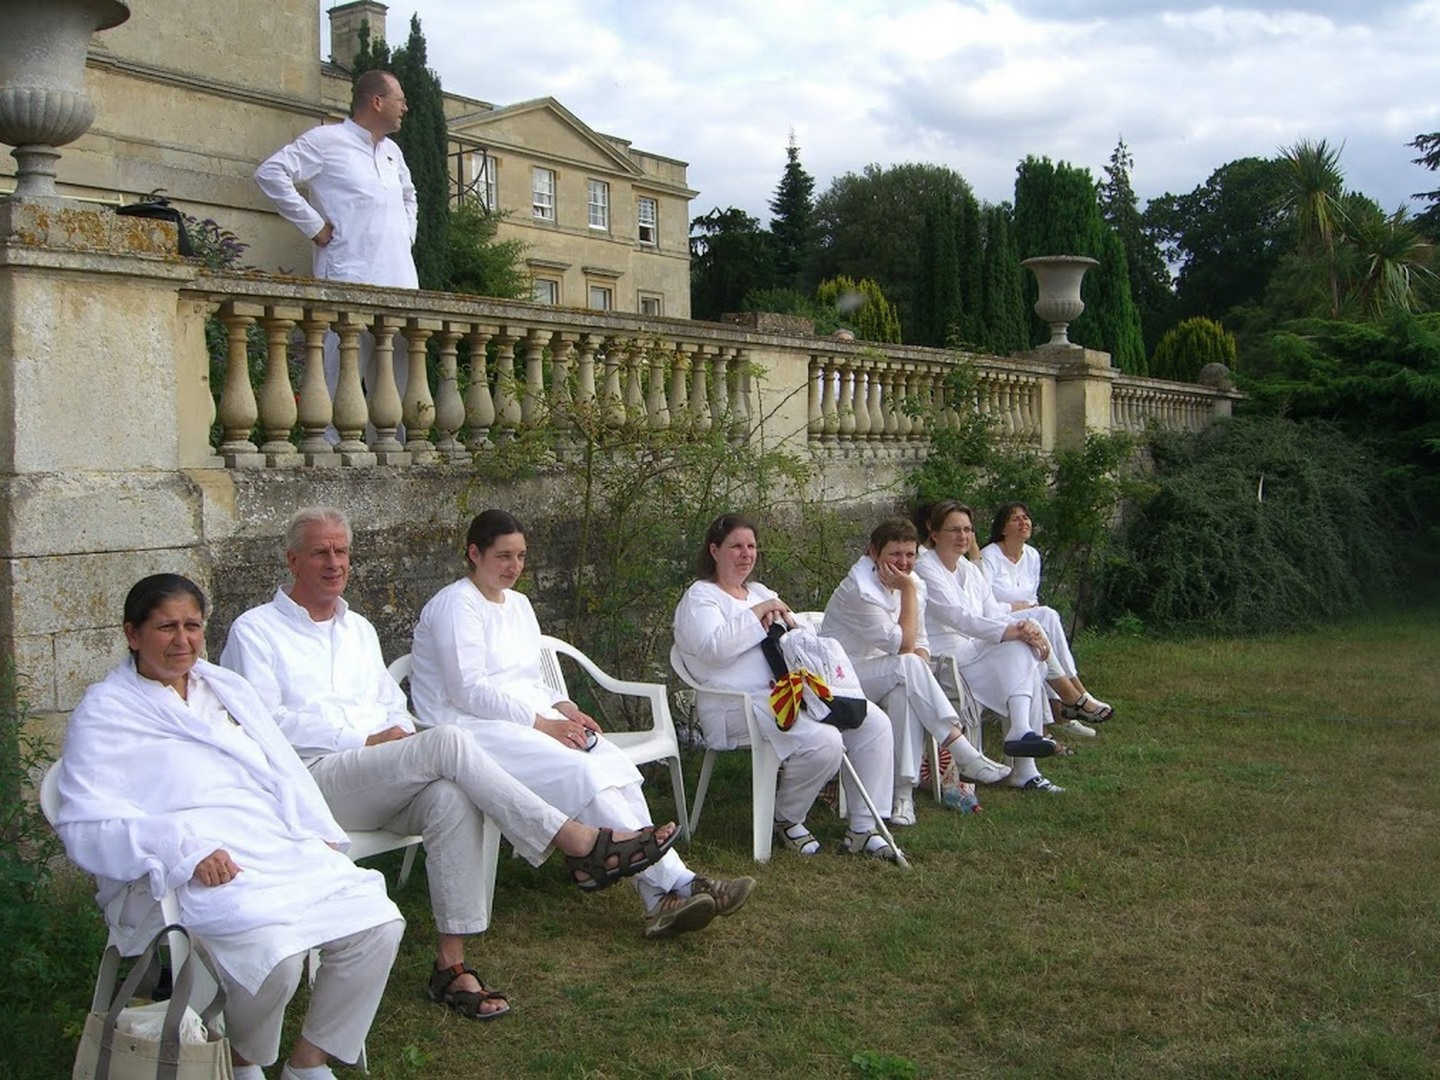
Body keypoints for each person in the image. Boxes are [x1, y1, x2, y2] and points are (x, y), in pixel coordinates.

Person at [220, 508, 679, 1019]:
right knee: (448, 742)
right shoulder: (255, 631)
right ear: (292, 560)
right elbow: (262, 724)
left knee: (452, 795)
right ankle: (575, 841)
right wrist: (366, 736)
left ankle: (450, 966)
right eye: (320, 552)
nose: (334, 563)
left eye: (342, 551)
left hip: (378, 776)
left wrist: (392, 732)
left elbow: (391, 704)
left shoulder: (358, 630)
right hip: (312, 782)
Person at [54, 574, 404, 1080]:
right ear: (133, 634)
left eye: (192, 626)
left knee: (377, 922)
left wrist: (315, 829)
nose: (182, 640)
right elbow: (86, 821)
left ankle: (309, 1061)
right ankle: (244, 1062)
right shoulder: (105, 710)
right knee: (275, 958)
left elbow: (283, 767)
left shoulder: (225, 687)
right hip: (194, 861)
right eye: (166, 627)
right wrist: (183, 849)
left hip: (268, 839)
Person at [410, 509, 756, 939]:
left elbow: (530, 677)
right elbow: (468, 690)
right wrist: (543, 723)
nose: (514, 567)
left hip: (525, 717)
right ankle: (683, 884)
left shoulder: (518, 604)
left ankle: (661, 896)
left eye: (520, 556)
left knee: (611, 764)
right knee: (580, 771)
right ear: (474, 554)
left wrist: (565, 708)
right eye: (503, 557)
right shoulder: (455, 605)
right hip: (465, 727)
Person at [673, 513, 900, 860]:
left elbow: (796, 638)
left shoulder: (761, 591)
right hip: (738, 704)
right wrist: (759, 614)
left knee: (874, 723)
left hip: (793, 693)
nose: (746, 554)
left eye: (751, 546)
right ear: (714, 550)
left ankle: (864, 828)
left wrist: (785, 622)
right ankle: (787, 819)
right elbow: (713, 650)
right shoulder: (701, 598)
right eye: (735, 546)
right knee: (824, 740)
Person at [254, 69, 417, 440]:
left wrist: (404, 236)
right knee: (337, 374)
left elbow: (410, 196)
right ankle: (327, 456)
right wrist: (314, 225)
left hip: (401, 282)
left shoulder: (393, 152)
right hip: (348, 277)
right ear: (377, 102)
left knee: (396, 381)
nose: (405, 107)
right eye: (400, 99)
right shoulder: (326, 141)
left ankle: (392, 459)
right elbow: (271, 173)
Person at [821, 518, 1012, 827]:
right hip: (841, 681)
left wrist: (916, 652)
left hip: (887, 675)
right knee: (907, 668)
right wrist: (908, 590)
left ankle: (902, 796)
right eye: (895, 554)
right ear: (873, 553)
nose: (904, 563)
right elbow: (904, 644)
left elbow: (920, 642)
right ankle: (960, 747)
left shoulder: (911, 584)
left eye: (910, 555)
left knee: (904, 689)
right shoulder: (858, 589)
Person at [913, 502, 1071, 793]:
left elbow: (992, 612)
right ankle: (1024, 750)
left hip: (974, 653)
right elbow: (959, 618)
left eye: (968, 530)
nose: (963, 536)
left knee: (1024, 651)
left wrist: (1023, 628)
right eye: (955, 530)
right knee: (1019, 647)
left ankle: (1023, 745)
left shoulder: (969, 570)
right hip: (943, 659)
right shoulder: (925, 568)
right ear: (934, 533)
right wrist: (1013, 630)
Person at [979, 502, 1114, 728]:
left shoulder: (1032, 555)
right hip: (997, 621)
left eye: (1026, 517)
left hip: (1029, 617)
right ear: (1003, 528)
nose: (1024, 523)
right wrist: (1015, 608)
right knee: (1047, 616)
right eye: (1016, 519)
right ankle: (1078, 694)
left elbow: (1032, 597)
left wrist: (1025, 607)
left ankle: (1067, 703)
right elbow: (985, 602)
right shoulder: (989, 556)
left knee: (1045, 620)